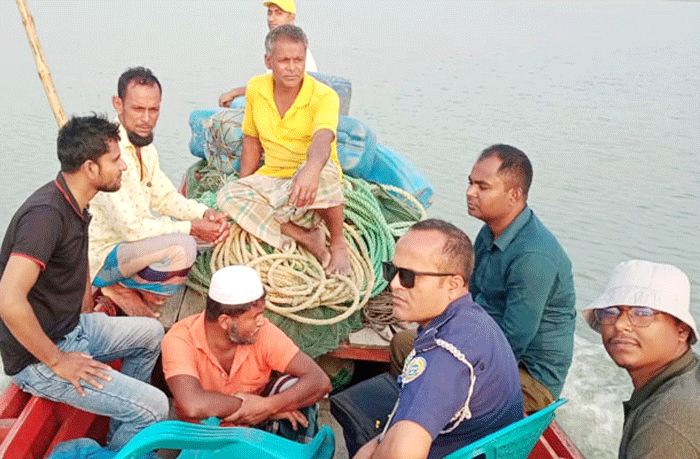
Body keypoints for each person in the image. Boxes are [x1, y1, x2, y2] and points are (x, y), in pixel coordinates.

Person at [0, 115, 168, 452]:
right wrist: (58, 361)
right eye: (115, 159)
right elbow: (8, 300)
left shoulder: (75, 202)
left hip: (71, 328)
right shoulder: (45, 216)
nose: (123, 166)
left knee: (151, 335)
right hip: (40, 358)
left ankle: (121, 431)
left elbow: (72, 263)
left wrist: (84, 304)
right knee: (155, 407)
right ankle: (129, 433)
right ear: (91, 168)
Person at [391, 144, 576, 413]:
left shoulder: (533, 257)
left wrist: (450, 361)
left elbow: (513, 341)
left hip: (528, 376)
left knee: (439, 375)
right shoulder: (489, 234)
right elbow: (467, 298)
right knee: (404, 345)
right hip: (484, 340)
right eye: (470, 183)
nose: (470, 192)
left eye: (482, 187)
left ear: (514, 195)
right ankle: (412, 416)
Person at [331, 219, 524, 459]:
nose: (393, 284)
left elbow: (403, 455)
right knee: (359, 399)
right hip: (471, 443)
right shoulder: (471, 320)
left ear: (453, 285)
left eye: (408, 276)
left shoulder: (445, 357)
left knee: (352, 409)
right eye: (391, 271)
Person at [89, 67, 230, 317]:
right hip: (102, 254)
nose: (146, 119)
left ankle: (131, 288)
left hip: (130, 247)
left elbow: (165, 197)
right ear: (118, 104)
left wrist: (205, 212)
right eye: (138, 109)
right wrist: (193, 228)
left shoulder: (145, 146)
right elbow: (131, 229)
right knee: (183, 247)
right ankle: (113, 287)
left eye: (153, 110)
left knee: (206, 238)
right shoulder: (107, 151)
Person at [217, 25, 350, 275]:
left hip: (314, 175)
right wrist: (247, 183)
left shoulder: (324, 96)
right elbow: (251, 140)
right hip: (274, 177)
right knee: (227, 196)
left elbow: (323, 140)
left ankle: (339, 244)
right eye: (284, 60)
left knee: (326, 173)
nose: (292, 67)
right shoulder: (256, 88)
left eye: (298, 60)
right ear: (269, 61)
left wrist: (310, 170)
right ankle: (307, 238)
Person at [161, 265, 332, 442]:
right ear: (225, 321)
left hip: (253, 427)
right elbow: (193, 404)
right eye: (255, 316)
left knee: (293, 389)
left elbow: (320, 381)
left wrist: (269, 406)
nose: (261, 322)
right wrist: (251, 407)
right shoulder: (180, 339)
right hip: (203, 437)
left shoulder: (263, 332)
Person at [582, 260, 700, 458]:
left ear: (682, 331)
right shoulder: (688, 376)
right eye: (611, 312)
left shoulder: (665, 422)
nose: (620, 325)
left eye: (643, 313)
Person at [218, 0, 317, 107]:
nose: (271, 18)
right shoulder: (276, 48)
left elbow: (279, 89)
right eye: (270, 13)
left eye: (279, 13)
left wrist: (235, 93)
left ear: (292, 17)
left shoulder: (294, 51)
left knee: (238, 103)